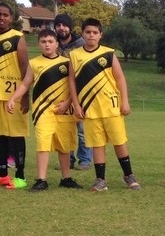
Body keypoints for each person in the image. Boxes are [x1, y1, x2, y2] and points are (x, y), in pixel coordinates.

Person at [69, 18, 141, 192]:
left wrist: (125, 100)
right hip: (90, 109)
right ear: (83, 34)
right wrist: (76, 105)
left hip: (111, 107)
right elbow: (71, 81)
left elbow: (120, 78)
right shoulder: (74, 55)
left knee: (119, 142)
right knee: (97, 144)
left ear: (100, 35)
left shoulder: (109, 53)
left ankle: (128, 175)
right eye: (88, 32)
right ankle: (100, 180)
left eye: (95, 32)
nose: (91, 35)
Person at [6, 27, 82, 191]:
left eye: (50, 42)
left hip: (63, 111)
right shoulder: (34, 63)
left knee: (64, 145)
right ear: (39, 44)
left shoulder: (66, 63)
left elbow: (74, 86)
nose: (47, 45)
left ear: (56, 44)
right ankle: (41, 179)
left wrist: (68, 103)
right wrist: (13, 98)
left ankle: (66, 178)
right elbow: (26, 83)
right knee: (43, 143)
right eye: (43, 42)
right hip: (42, 111)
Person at [54, 13, 93, 171]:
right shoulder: (54, 44)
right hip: (61, 92)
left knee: (82, 129)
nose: (62, 28)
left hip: (80, 91)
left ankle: (85, 160)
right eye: (58, 25)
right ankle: (67, 159)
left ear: (70, 27)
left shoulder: (80, 44)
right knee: (65, 129)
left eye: (64, 25)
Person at [0, 1, 29, 189]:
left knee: (17, 135)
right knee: (0, 135)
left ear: (11, 18)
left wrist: (26, 96)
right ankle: (2, 174)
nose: (1, 18)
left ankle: (20, 176)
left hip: (14, 95)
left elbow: (25, 67)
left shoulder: (17, 37)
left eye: (5, 15)